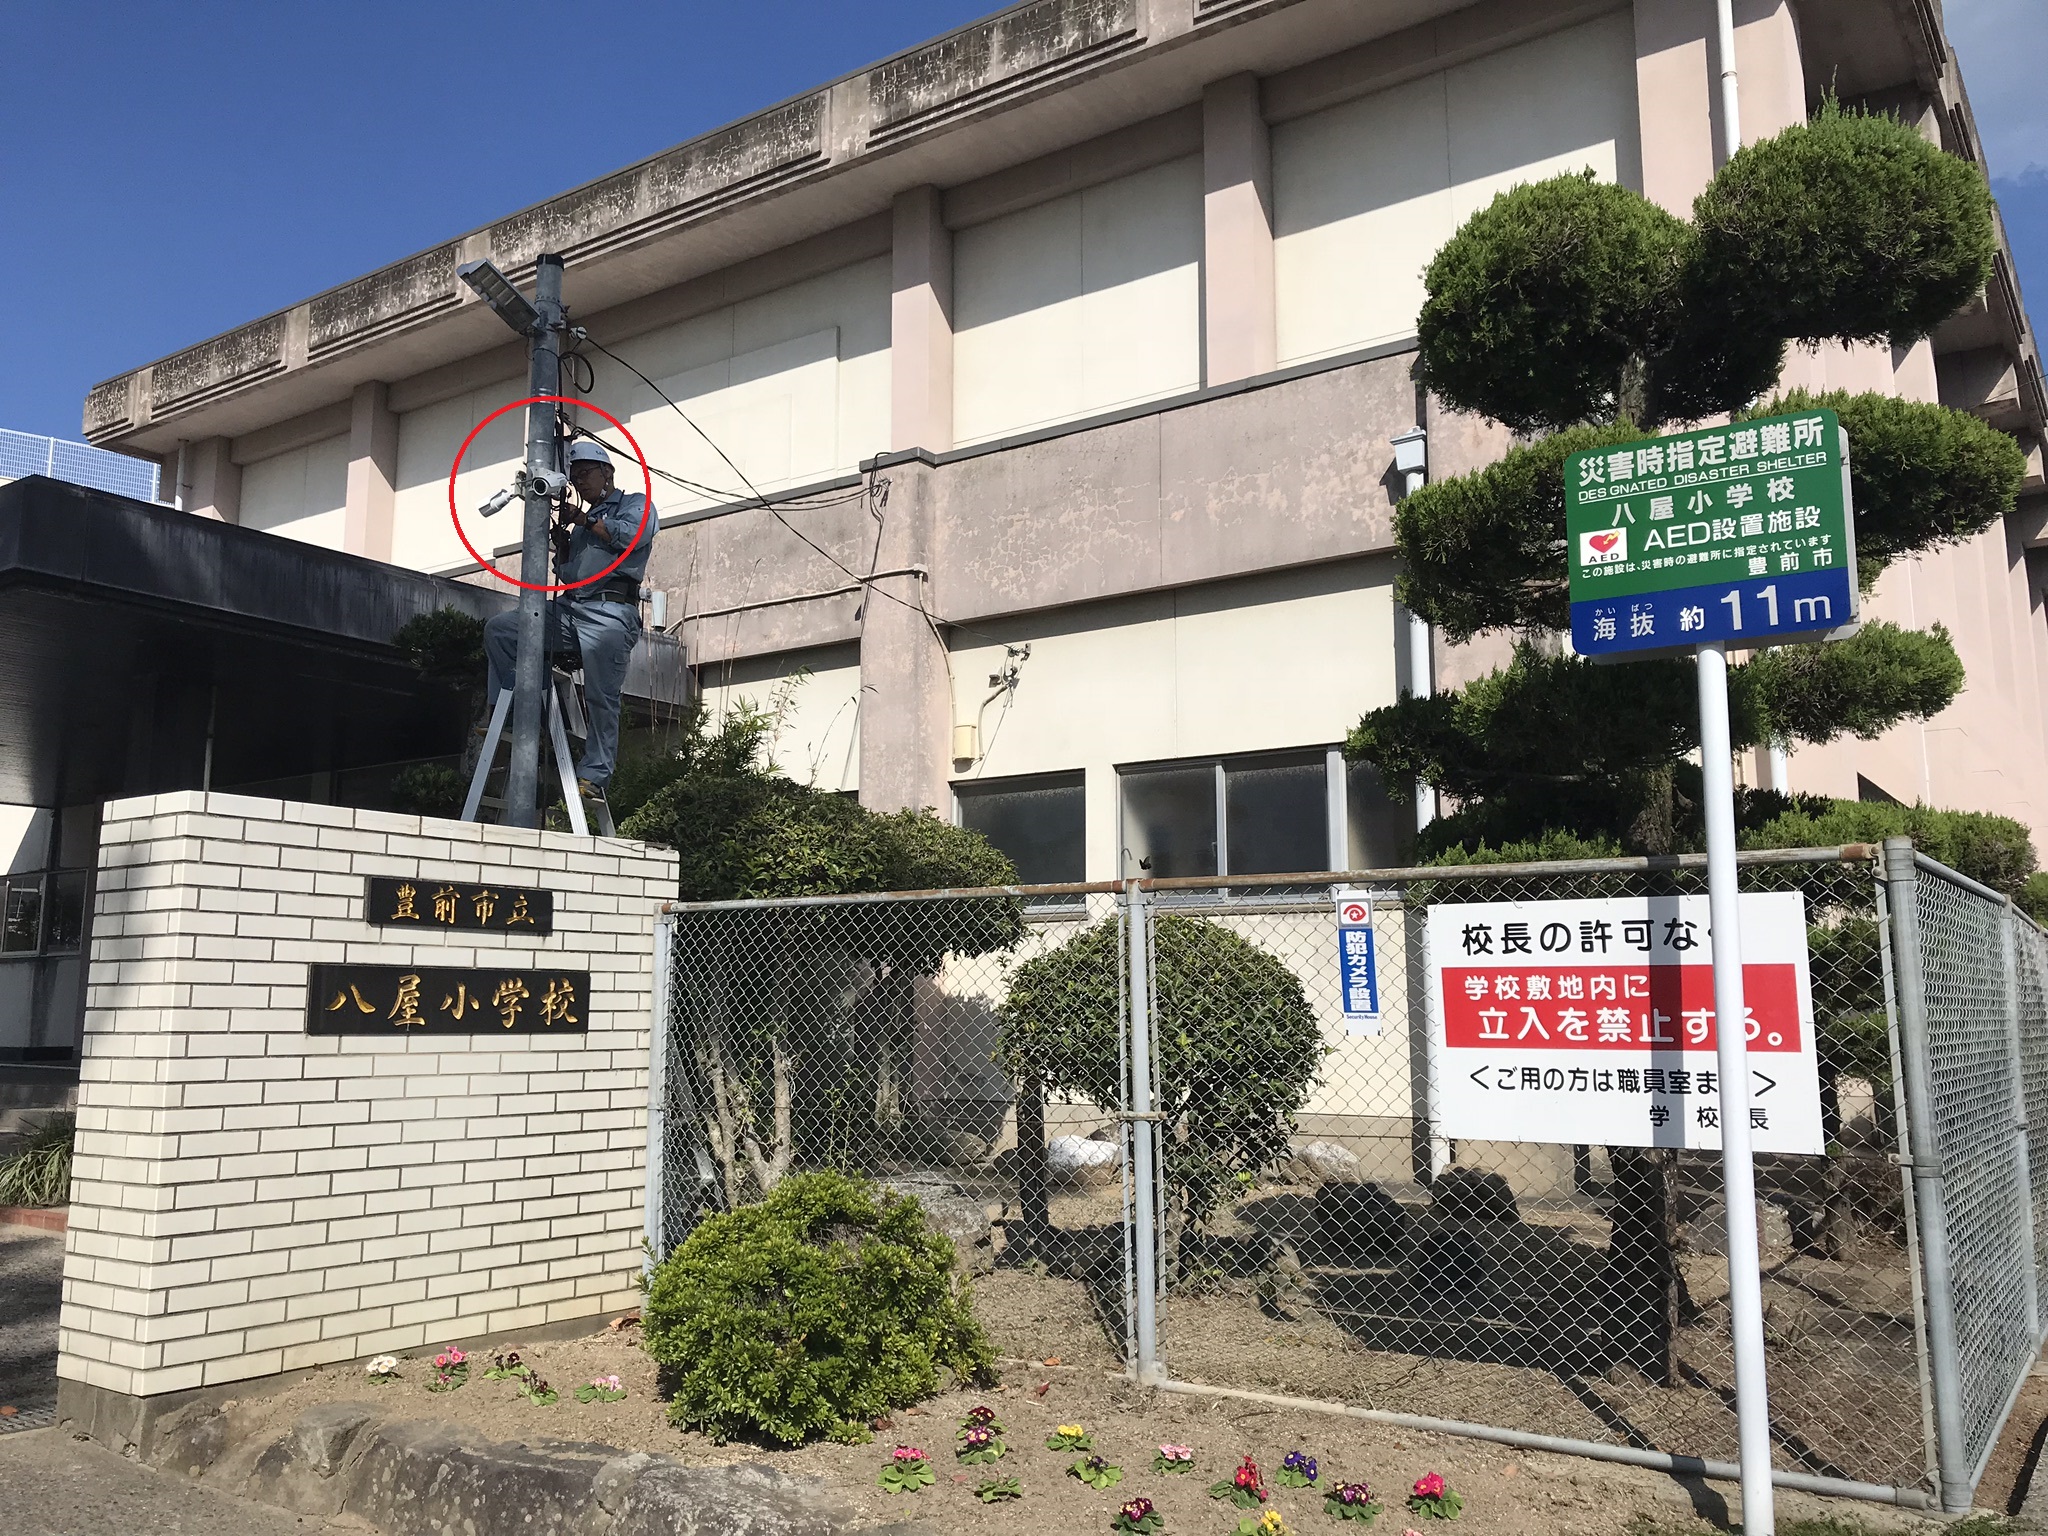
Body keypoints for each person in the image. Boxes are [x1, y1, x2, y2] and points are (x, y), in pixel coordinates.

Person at [482, 439, 654, 806]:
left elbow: (632, 536)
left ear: (607, 472)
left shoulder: (634, 503)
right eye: (575, 476)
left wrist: (586, 521)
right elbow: (573, 572)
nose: (580, 481)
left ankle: (594, 775)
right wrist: (562, 546)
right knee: (502, 631)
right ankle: (518, 711)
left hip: (610, 612)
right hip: (572, 608)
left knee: (600, 697)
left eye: (585, 473)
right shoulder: (580, 525)